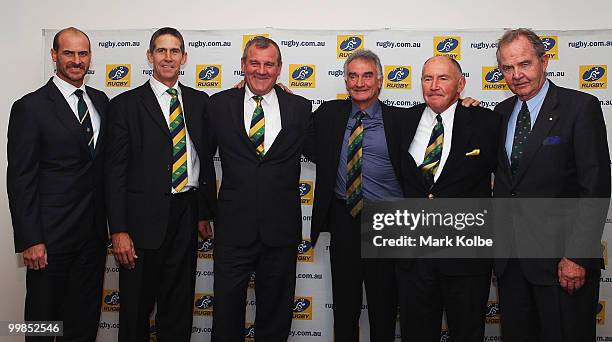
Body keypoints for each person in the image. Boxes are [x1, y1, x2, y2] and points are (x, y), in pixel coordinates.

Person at [493, 28, 610, 341]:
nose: (516, 75)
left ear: (544, 61)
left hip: (562, 265)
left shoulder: (580, 108)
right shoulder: (501, 113)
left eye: (525, 64)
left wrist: (576, 255)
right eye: (507, 67)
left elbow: (595, 188)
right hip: (511, 264)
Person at [105, 27, 216, 341]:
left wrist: (203, 212)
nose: (168, 57)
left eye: (174, 51)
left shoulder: (199, 101)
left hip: (187, 213)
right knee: (135, 310)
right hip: (140, 223)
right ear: (150, 56)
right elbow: (115, 173)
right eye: (161, 50)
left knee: (179, 306)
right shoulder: (125, 105)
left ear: (184, 57)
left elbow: (206, 155)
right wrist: (119, 230)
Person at [207, 36, 312, 341]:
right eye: (255, 62)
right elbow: (198, 158)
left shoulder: (300, 107)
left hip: (280, 231)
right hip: (232, 230)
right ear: (243, 65)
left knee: (276, 318)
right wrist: (203, 211)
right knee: (226, 316)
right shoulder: (217, 105)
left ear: (279, 69)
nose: (261, 70)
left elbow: (327, 145)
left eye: (269, 64)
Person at [7, 27, 108, 341]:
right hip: (48, 241)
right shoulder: (31, 107)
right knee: (42, 323)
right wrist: (30, 239)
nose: (77, 61)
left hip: (92, 237)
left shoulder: (101, 101)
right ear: (54, 55)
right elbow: (20, 178)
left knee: (83, 322)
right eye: (69, 53)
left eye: (83, 54)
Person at [394, 55, 500, 342]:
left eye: (443, 78)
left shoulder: (486, 122)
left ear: (461, 84)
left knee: (467, 333)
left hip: (466, 259)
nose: (434, 85)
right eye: (428, 78)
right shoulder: (402, 121)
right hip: (414, 259)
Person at [304, 49, 405, 341]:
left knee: (384, 306)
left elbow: (444, 122)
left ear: (380, 80)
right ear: (346, 81)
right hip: (344, 218)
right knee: (345, 307)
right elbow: (297, 132)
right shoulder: (328, 114)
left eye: (367, 75)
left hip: (387, 222)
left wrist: (466, 105)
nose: (360, 82)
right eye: (353, 75)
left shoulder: (402, 119)